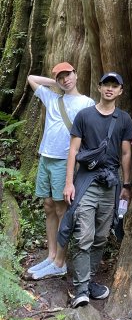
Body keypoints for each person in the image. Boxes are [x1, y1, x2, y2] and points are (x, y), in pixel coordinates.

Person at [59, 72, 132, 308]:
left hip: (110, 185)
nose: (110, 89)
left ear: (120, 91)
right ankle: (81, 289)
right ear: (99, 88)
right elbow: (73, 151)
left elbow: (125, 154)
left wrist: (127, 184)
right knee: (84, 235)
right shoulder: (85, 116)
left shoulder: (123, 119)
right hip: (86, 182)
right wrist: (69, 183)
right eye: (106, 85)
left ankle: (89, 281)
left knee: (101, 237)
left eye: (115, 86)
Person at [26, 62, 94, 280]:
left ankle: (60, 262)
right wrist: (52, 81)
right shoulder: (52, 98)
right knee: (48, 206)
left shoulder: (86, 102)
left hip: (65, 160)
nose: (66, 80)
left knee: (61, 209)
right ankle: (51, 255)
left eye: (68, 75)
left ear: (76, 74)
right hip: (45, 157)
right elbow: (31, 79)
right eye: (61, 77)